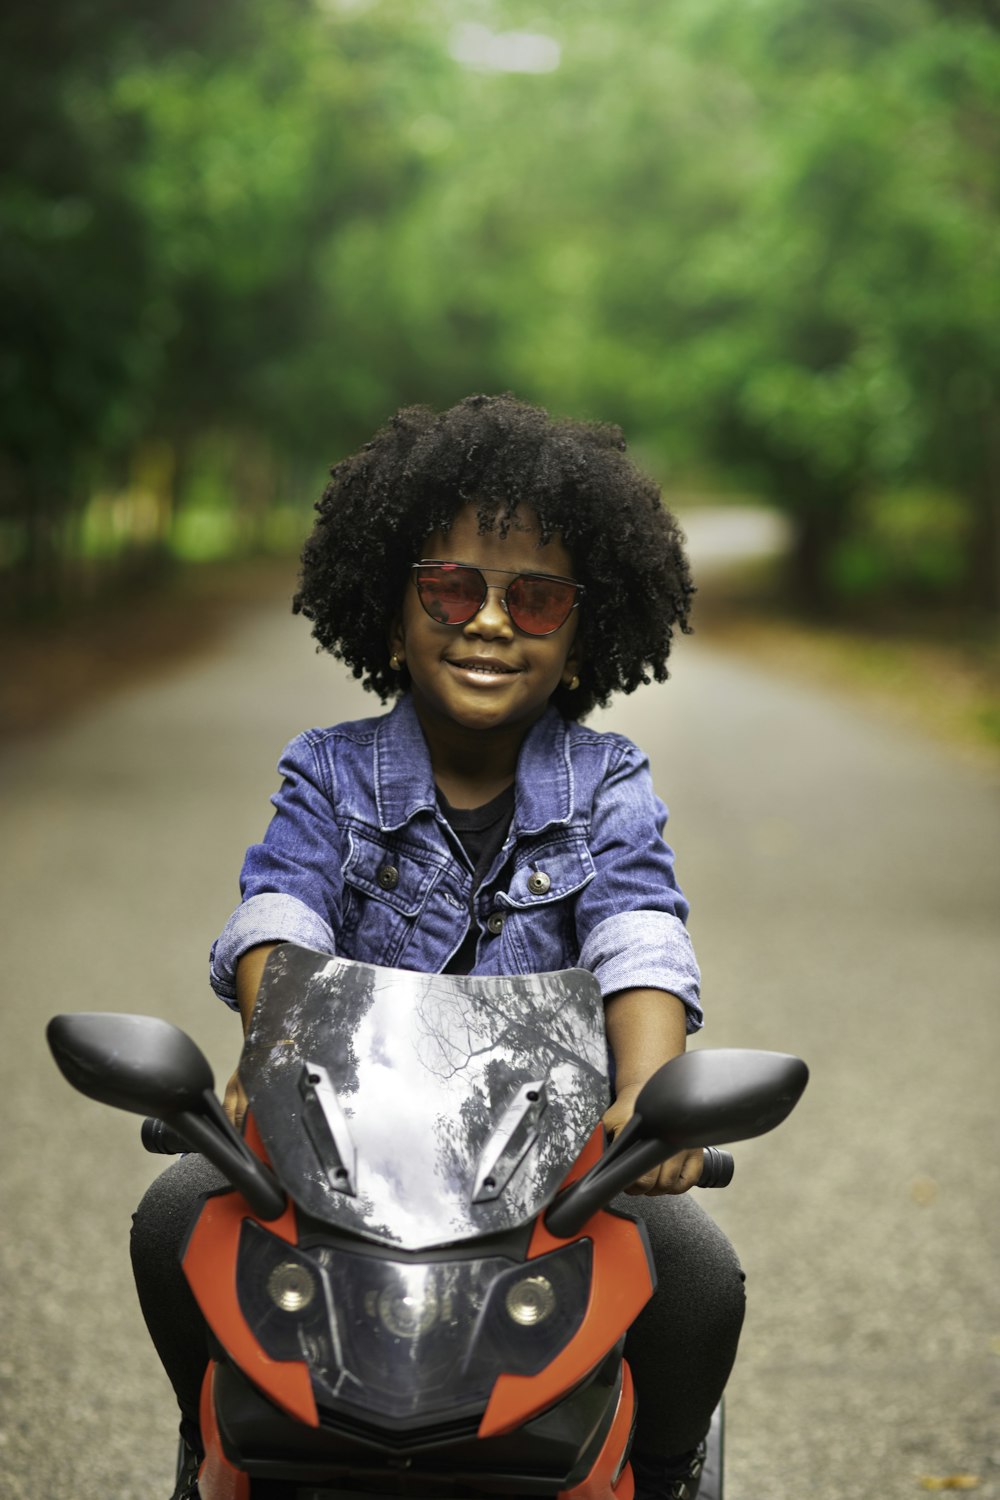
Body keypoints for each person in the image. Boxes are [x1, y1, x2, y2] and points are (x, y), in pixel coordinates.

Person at [131, 393, 745, 1500]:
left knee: (696, 1274)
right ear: (388, 608)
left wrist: (652, 1098)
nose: (491, 621)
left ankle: (659, 1475)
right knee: (176, 1216)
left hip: (549, 1179)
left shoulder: (609, 785)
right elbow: (280, 911)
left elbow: (640, 931)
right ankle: (213, 1438)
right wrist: (270, 1051)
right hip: (338, 1171)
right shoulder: (326, 770)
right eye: (451, 587)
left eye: (538, 596)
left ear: (584, 630)